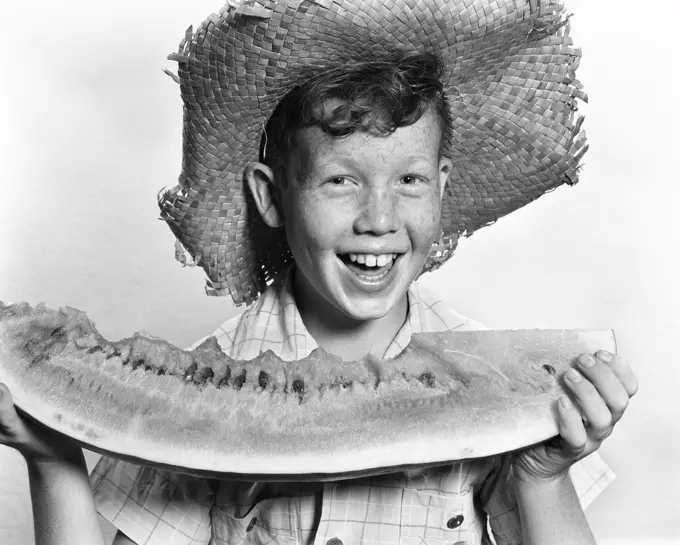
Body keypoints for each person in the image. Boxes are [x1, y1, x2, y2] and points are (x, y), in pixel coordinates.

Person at [0, 1, 638, 544]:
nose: (379, 219)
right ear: (272, 198)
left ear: (442, 188)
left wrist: (542, 475)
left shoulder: (493, 377)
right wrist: (53, 456)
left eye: (409, 180)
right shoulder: (201, 381)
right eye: (340, 181)